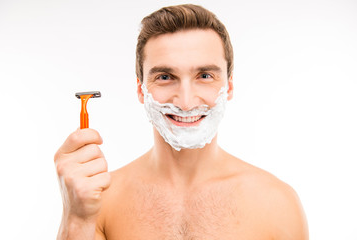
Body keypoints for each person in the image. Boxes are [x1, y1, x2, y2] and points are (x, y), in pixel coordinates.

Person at [54, 4, 309, 239]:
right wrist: (76, 219)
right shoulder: (102, 202)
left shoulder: (277, 204)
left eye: (205, 75)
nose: (186, 102)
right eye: (165, 77)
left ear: (229, 87)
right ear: (141, 90)